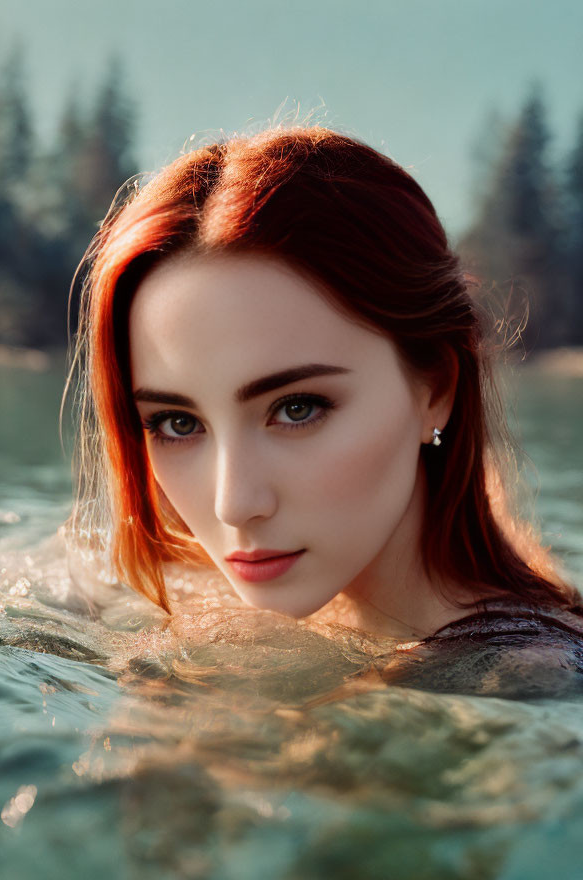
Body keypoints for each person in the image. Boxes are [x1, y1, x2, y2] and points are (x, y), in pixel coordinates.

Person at [62, 123, 583, 642]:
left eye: (296, 409)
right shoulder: (185, 601)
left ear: (436, 390)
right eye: (177, 423)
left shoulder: (511, 691)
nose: (234, 504)